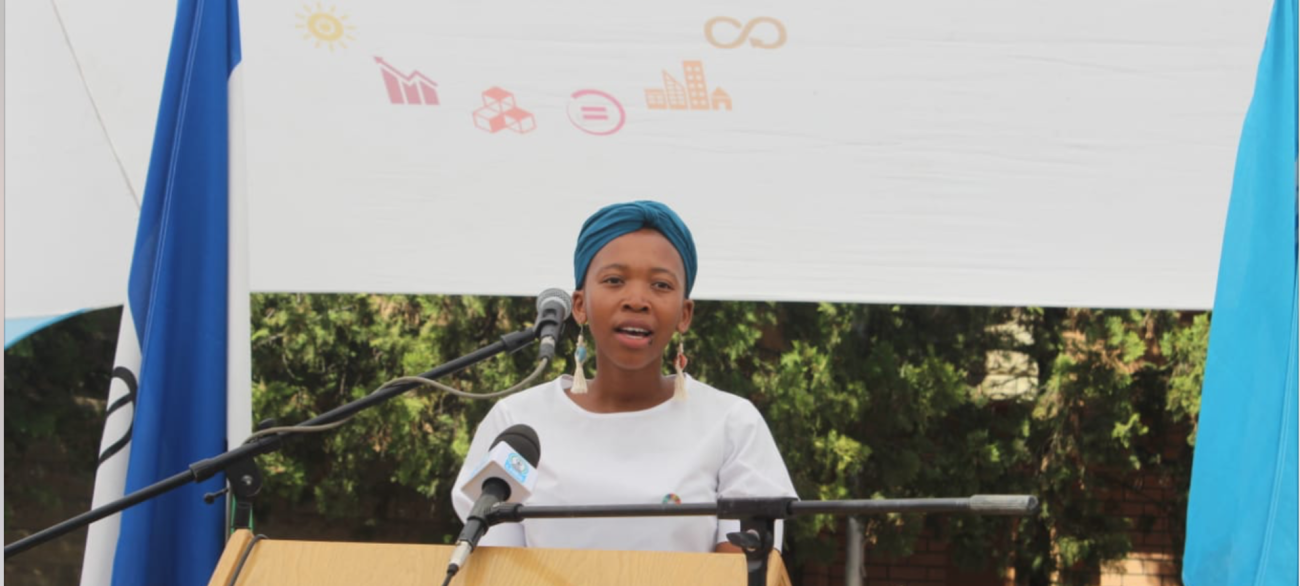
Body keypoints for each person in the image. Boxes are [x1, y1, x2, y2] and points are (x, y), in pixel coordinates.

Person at [451, 200, 797, 553]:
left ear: (684, 314)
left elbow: (745, 572)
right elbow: (497, 568)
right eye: (614, 280)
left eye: (661, 285)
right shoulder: (516, 423)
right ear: (580, 305)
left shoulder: (732, 424)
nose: (637, 300)